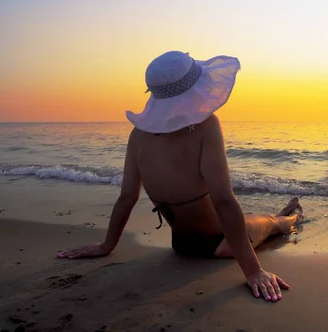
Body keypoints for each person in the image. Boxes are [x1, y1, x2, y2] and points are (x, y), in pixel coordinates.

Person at [56, 51, 302, 302]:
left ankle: (281, 214)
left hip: (182, 245)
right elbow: (224, 201)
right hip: (220, 245)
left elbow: (127, 197)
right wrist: (254, 271)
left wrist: (106, 246)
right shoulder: (206, 126)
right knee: (272, 223)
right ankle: (290, 217)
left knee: (250, 218)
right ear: (195, 89)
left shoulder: (138, 135)